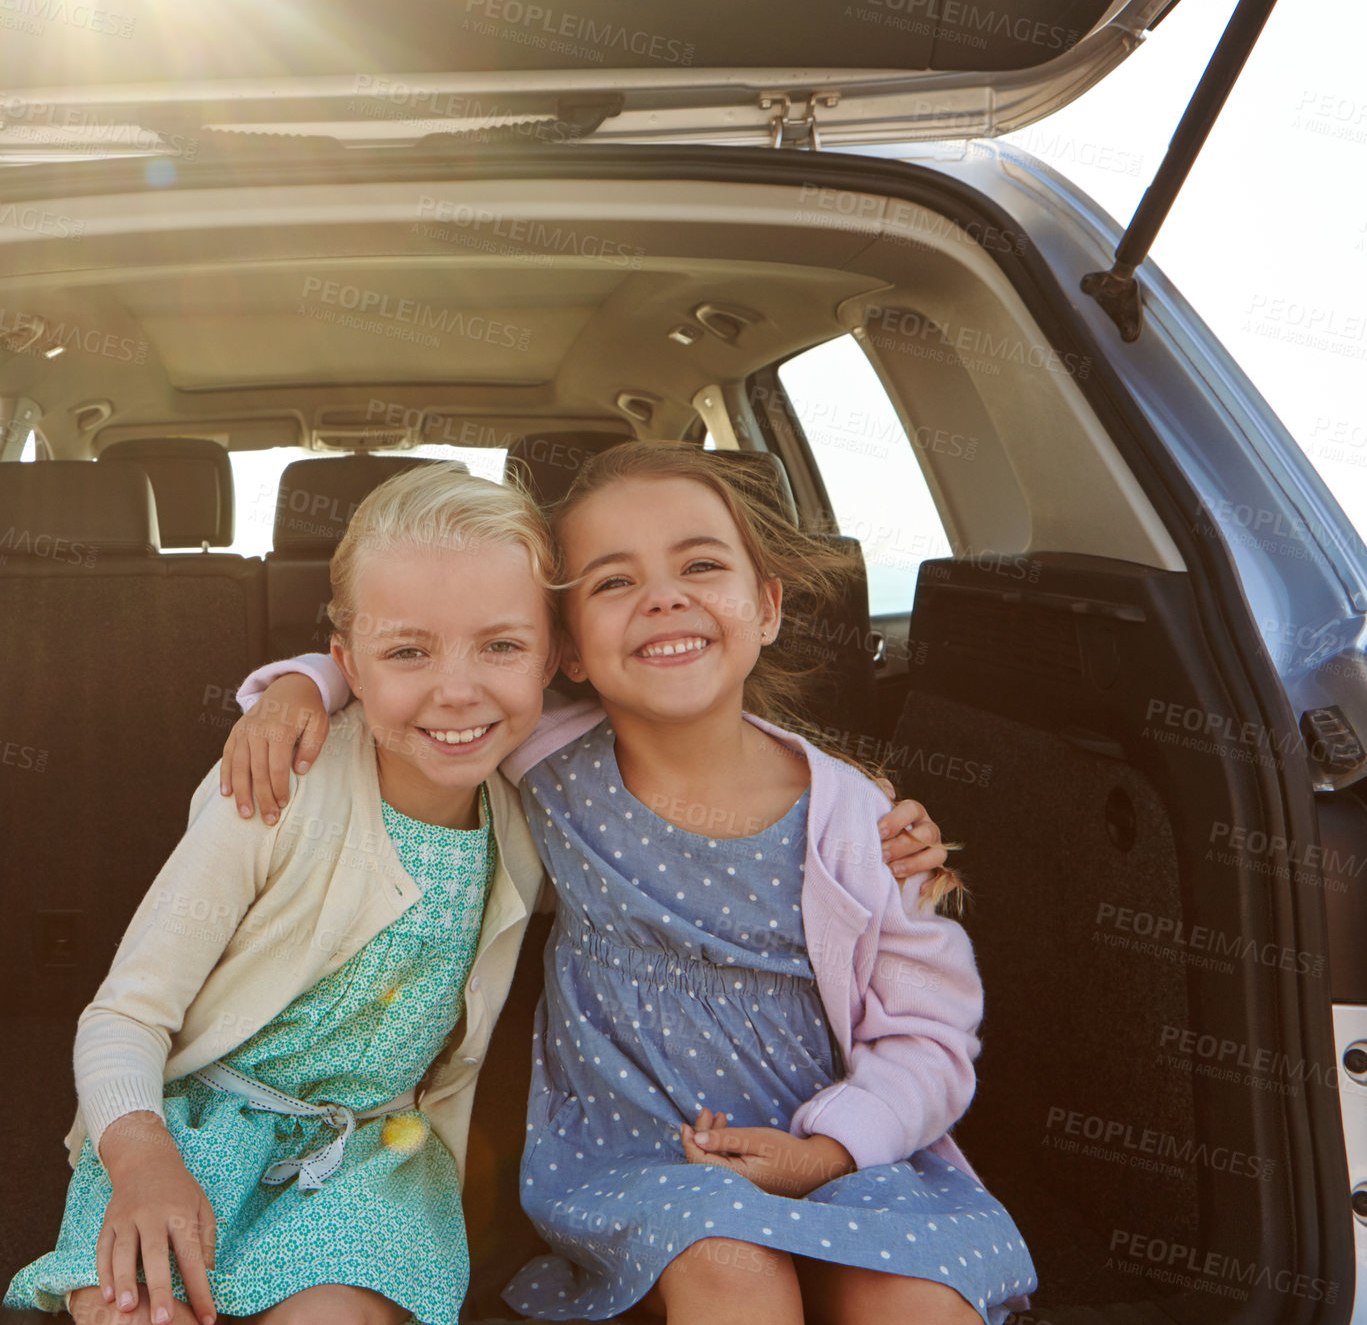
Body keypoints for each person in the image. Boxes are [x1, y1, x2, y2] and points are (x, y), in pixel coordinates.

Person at [226, 444, 1034, 1325]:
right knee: (728, 1262)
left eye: (699, 565)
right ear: (563, 650)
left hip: (847, 1151)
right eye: (613, 582)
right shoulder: (541, 754)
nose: (663, 596)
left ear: (764, 607)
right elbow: (421, 660)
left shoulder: (858, 823)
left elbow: (930, 1035)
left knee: (913, 1299)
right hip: (638, 1153)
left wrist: (833, 1151)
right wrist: (301, 686)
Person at [4, 462, 559, 1325]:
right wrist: (142, 1159)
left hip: (375, 1155)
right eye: (407, 650)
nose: (458, 688)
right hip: (186, 1135)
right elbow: (124, 1016)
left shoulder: (536, 805)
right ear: (350, 664)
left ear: (551, 656)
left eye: (502, 645)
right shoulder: (272, 788)